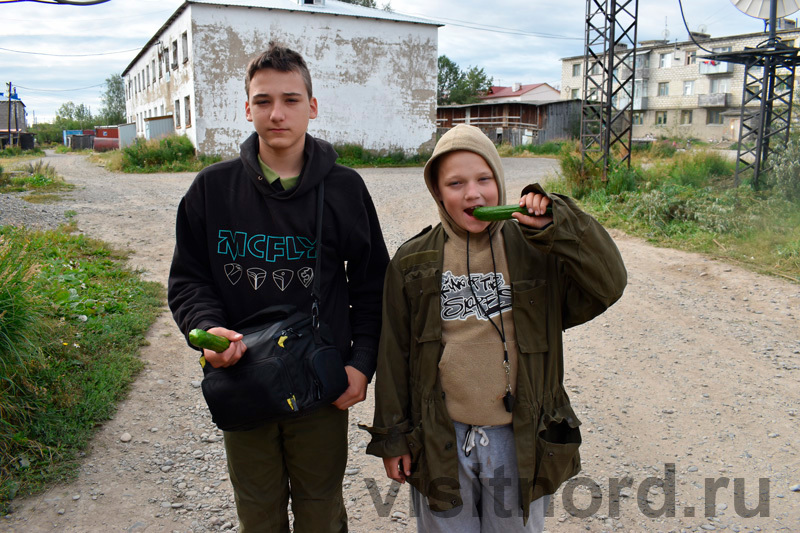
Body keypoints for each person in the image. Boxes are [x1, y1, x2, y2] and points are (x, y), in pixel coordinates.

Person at [168, 43, 389, 532]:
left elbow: (373, 286)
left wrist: (361, 364)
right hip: (241, 380)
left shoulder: (346, 189)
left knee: (320, 510)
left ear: (312, 107)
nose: (277, 113)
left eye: (291, 100)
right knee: (259, 513)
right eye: (263, 101)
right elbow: (189, 280)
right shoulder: (211, 189)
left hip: (320, 382)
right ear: (247, 108)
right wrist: (206, 331)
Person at [363, 124, 627, 532]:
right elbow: (393, 354)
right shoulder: (412, 261)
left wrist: (559, 224)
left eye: (484, 179)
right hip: (440, 438)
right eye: (456, 183)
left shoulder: (534, 250)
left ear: (499, 183)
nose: (473, 194)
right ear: (438, 193)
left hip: (516, 438)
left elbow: (608, 284)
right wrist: (392, 438)